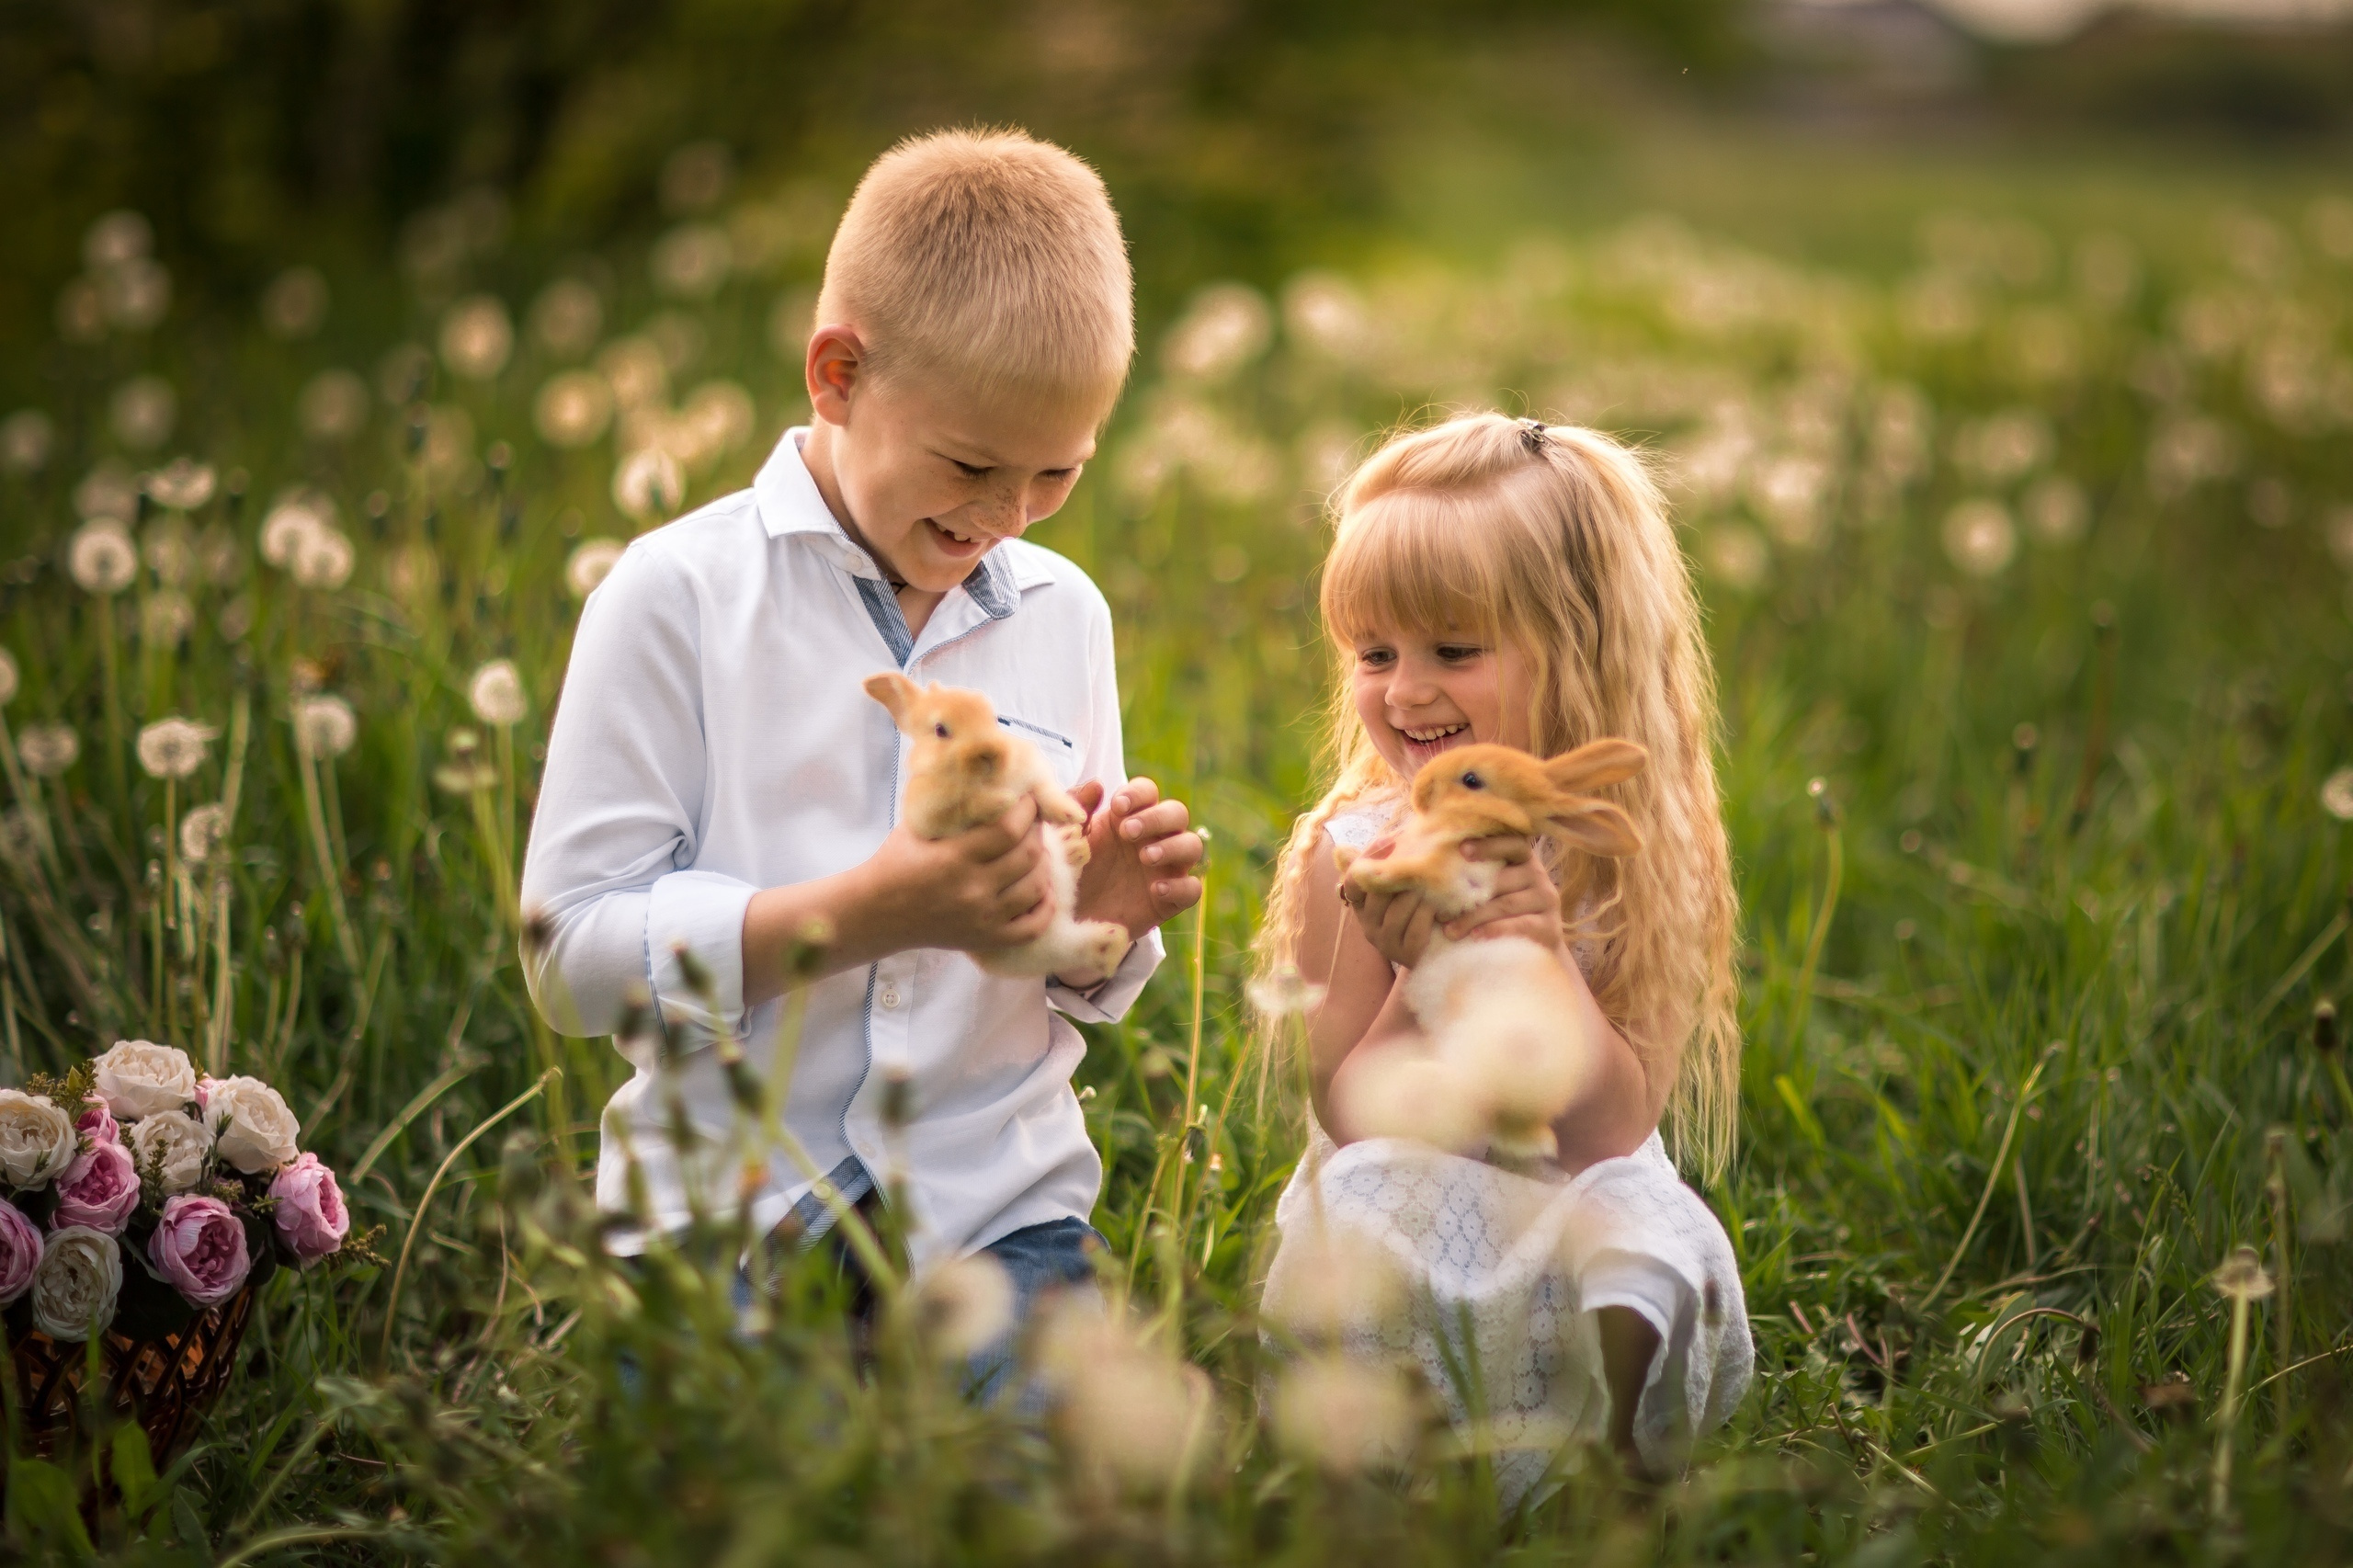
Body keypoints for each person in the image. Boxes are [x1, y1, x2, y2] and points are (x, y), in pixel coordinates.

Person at [520, 129, 1205, 1361]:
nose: (1004, 517)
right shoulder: (673, 595)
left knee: (1068, 1509)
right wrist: (864, 912)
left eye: (1057, 473)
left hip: (995, 1210)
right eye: (972, 464)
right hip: (723, 1213)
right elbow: (571, 954)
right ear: (837, 373)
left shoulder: (1064, 616)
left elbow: (1051, 967)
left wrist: (1099, 921)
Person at [1255, 412, 1751, 1494]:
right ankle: (1400, 1463)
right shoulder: (1353, 856)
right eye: (1375, 653)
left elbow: (1611, 1127)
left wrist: (1538, 952)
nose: (1404, 690)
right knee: (1374, 1211)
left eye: (1454, 649)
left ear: (1581, 645)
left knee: (1653, 1239)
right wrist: (1427, 977)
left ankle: (1613, 1450)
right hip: (1408, 1204)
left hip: (1570, 1197)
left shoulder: (1631, 858)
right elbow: (1353, 1124)